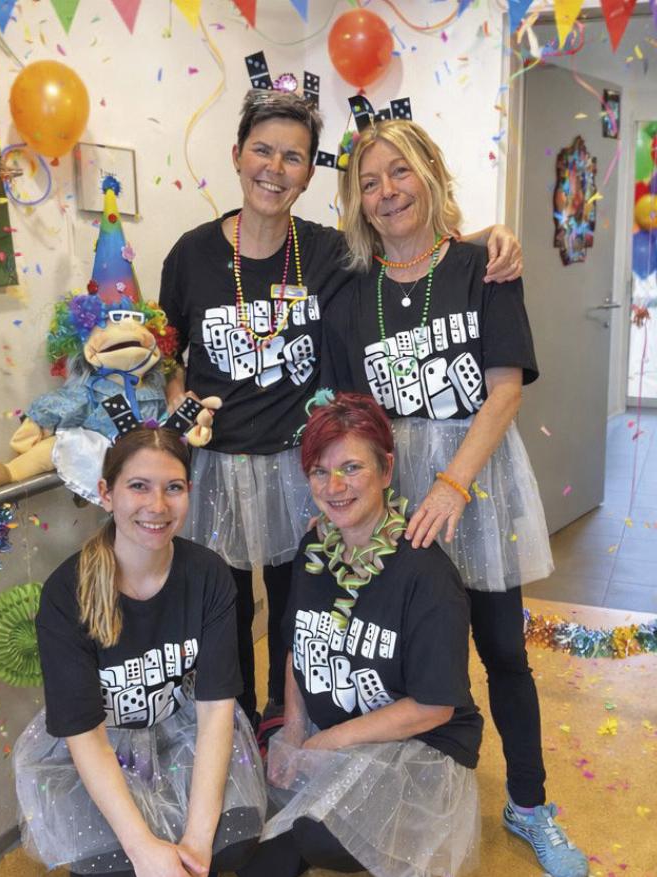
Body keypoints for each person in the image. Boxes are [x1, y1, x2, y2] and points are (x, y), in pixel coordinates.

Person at [159, 88, 522, 731]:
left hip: (301, 466)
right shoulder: (191, 254)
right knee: (225, 614)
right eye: (263, 151)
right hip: (219, 468)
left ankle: (284, 727)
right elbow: (168, 351)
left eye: (293, 157)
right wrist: (176, 398)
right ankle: (233, 740)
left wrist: (489, 237)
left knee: (302, 611)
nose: (275, 169)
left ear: (309, 174)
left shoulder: (329, 252)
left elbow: (410, 247)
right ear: (237, 155)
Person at [322, 118, 588, 877]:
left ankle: (529, 803)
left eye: (400, 172)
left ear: (431, 173)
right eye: (369, 183)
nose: (386, 192)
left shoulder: (483, 267)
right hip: (392, 493)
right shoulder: (352, 291)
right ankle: (404, 795)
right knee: (406, 661)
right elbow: (348, 412)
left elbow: (504, 391)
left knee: (503, 651)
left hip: (478, 483)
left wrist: (452, 483)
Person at [237, 392, 482, 877]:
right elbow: (298, 649)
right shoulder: (313, 548)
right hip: (333, 734)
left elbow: (434, 707)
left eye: (351, 468)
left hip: (415, 748)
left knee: (318, 834)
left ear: (386, 470)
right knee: (250, 850)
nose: (334, 487)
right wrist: (292, 730)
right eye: (319, 472)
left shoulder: (426, 574)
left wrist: (326, 744)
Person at [13, 424, 266, 877]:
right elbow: (85, 734)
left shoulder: (208, 574)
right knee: (120, 865)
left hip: (182, 732)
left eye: (173, 488)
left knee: (231, 847)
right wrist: (142, 848)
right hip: (102, 747)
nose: (157, 506)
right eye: (138, 486)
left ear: (189, 492)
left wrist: (198, 839)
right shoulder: (66, 592)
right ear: (106, 494)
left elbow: (215, 710)